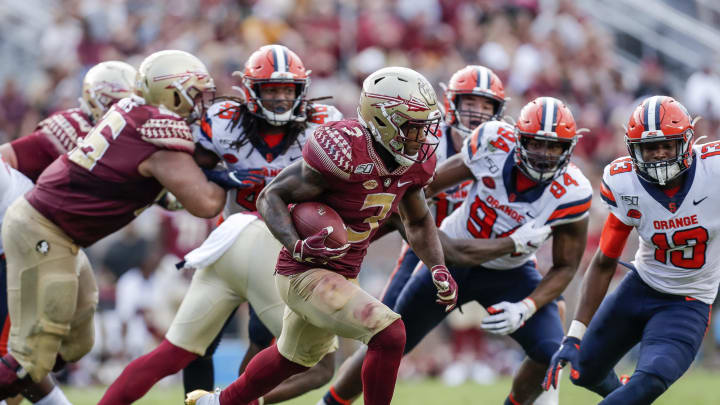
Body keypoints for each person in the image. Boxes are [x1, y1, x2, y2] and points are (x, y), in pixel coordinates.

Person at [186, 66, 458, 405]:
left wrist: (437, 266)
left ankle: (219, 402)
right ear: (384, 120)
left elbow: (416, 221)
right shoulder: (344, 149)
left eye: (424, 126)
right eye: (413, 127)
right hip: (304, 271)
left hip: (343, 272)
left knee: (292, 358)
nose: (422, 137)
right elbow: (271, 196)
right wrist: (295, 245)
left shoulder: (414, 163)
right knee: (389, 333)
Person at [98, 44, 346, 405]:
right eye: (271, 89)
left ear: (301, 90)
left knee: (243, 344)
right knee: (310, 362)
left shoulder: (323, 124)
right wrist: (222, 174)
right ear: (250, 91)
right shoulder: (222, 121)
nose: (279, 98)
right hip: (242, 240)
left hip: (267, 248)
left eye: (286, 89)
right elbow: (187, 167)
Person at [319, 96, 591, 405]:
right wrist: (417, 230)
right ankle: (327, 404)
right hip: (449, 264)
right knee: (389, 342)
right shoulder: (493, 143)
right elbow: (425, 188)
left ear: (568, 149)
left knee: (549, 351)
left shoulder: (573, 191)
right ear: (518, 139)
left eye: (554, 146)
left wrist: (526, 306)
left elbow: (566, 266)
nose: (543, 154)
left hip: (510, 273)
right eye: (536, 143)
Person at [0, 50, 226, 399]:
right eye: (196, 93)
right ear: (173, 92)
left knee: (77, 342)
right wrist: (231, 175)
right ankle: (19, 374)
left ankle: (19, 381)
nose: (202, 103)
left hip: (60, 233)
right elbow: (205, 203)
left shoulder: (132, 112)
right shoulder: (158, 131)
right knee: (30, 359)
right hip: (43, 230)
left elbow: (155, 187)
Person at [318, 64, 508, 405]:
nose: (477, 113)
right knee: (385, 332)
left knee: (547, 320)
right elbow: (393, 205)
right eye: (470, 103)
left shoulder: (509, 149)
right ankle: (331, 402)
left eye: (486, 105)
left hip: (484, 253)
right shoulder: (421, 140)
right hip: (426, 249)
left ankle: (541, 393)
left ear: (499, 111)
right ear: (451, 103)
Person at [544, 96, 716, 404]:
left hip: (687, 301)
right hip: (640, 288)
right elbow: (604, 260)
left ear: (687, 142)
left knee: (646, 383)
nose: (660, 155)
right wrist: (574, 334)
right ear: (634, 149)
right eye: (651, 148)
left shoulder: (713, 172)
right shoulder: (624, 182)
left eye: (667, 145)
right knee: (583, 372)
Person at [0, 61, 136, 405]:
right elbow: (8, 159)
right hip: (26, 242)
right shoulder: (69, 130)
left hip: (57, 242)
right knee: (22, 351)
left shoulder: (134, 139)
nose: (125, 113)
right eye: (117, 104)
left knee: (76, 341)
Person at [0, 61, 137, 181]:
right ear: (100, 102)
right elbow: (7, 155)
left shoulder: (128, 137)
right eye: (125, 105)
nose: (132, 111)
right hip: (30, 201)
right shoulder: (73, 126)